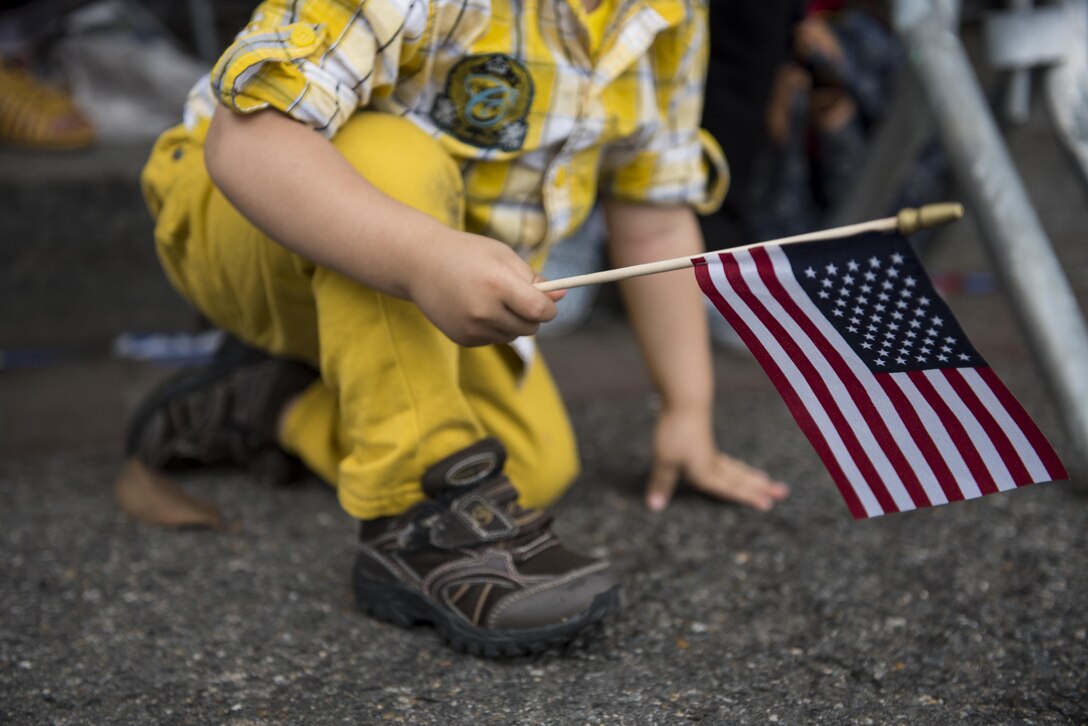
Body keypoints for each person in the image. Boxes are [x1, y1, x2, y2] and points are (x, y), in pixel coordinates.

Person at [126, 0, 790, 656]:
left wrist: (687, 408)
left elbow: (653, 217)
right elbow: (248, 139)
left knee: (531, 465)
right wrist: (424, 257)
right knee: (389, 154)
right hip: (245, 216)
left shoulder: (668, 16)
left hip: (423, 290)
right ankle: (418, 516)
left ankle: (274, 403)